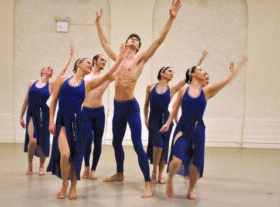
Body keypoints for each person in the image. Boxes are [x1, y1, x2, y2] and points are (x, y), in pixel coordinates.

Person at [95, 0, 182, 198]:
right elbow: (104, 43)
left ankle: (147, 182)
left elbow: (159, 40)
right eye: (131, 38)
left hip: (131, 107)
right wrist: (98, 24)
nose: (133, 40)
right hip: (118, 106)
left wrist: (171, 18)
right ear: (126, 43)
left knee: (136, 143)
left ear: (138, 46)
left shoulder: (140, 59)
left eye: (136, 40)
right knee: (116, 142)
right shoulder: (117, 57)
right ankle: (119, 172)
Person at [160, 56, 248, 200]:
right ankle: (169, 180)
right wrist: (168, 123)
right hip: (183, 127)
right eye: (200, 70)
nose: (203, 72)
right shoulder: (183, 90)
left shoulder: (206, 91)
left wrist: (234, 71)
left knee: (197, 162)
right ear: (193, 74)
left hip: (198, 129)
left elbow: (224, 83)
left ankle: (190, 190)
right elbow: (175, 108)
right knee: (177, 158)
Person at [47, 44, 125, 200]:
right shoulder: (63, 80)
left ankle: (74, 187)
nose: (90, 64)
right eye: (88, 62)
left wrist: (120, 58)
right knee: (65, 154)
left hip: (78, 121)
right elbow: (54, 99)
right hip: (62, 121)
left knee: (76, 155)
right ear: (79, 64)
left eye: (91, 63)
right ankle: (64, 185)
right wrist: (50, 120)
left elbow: (109, 73)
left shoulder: (88, 83)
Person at [144, 50, 208, 184]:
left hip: (166, 120)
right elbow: (145, 105)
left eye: (173, 72)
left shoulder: (172, 89)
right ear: (162, 73)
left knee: (165, 148)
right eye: (169, 71)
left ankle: (160, 174)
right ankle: (154, 170)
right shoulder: (150, 87)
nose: (172, 74)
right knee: (158, 145)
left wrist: (200, 61)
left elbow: (188, 77)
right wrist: (145, 119)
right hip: (154, 120)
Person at [20, 45, 74, 176]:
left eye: (51, 68)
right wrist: (21, 116)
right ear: (42, 71)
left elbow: (62, 72)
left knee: (43, 141)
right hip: (32, 113)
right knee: (33, 140)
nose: (49, 68)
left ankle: (42, 165)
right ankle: (30, 164)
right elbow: (26, 100)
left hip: (43, 114)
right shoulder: (31, 82)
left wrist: (70, 57)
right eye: (47, 67)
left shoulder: (51, 85)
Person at [81, 54, 114, 180]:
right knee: (88, 139)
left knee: (98, 141)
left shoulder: (106, 77)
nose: (104, 62)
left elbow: (121, 72)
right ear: (94, 61)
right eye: (101, 59)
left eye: (105, 60)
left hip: (99, 112)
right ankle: (87, 166)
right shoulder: (86, 77)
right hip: (86, 111)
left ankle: (94, 169)